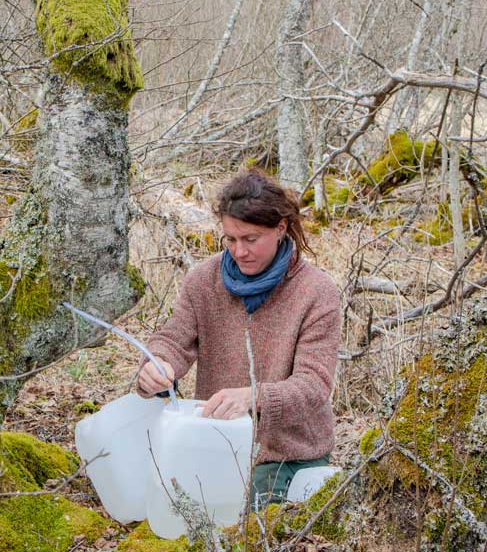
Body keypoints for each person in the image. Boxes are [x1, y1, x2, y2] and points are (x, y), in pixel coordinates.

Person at [136, 168, 341, 508]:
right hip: (214, 443)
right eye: (230, 239)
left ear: (280, 228)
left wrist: (252, 398)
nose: (239, 251)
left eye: (250, 239)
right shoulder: (203, 280)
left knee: (251, 536)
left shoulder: (316, 292)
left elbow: (314, 386)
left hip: (288, 455)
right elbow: (173, 340)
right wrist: (155, 366)